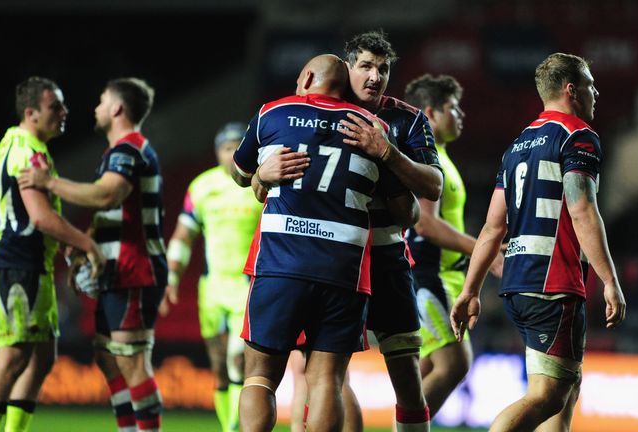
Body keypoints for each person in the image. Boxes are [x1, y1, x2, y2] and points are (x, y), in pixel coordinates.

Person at [258, 30, 442, 432]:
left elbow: (433, 185)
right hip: (330, 259)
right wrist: (260, 174)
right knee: (321, 372)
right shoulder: (310, 114)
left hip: (385, 255)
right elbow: (263, 182)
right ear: (346, 67)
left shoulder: (407, 120)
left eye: (383, 69)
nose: (375, 76)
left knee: (406, 375)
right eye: (366, 66)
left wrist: (388, 152)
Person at [450, 53, 627, 432]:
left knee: (565, 387)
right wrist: (609, 279)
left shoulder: (517, 146)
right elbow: (582, 211)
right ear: (571, 90)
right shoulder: (578, 136)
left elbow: (492, 228)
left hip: (518, 280)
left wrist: (471, 290)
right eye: (590, 84)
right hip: (552, 282)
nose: (595, 91)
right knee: (549, 393)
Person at [18, 78, 166, 432]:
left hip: (136, 268)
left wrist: (49, 182)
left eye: (101, 101)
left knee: (131, 362)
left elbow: (106, 197)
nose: (95, 108)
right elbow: (112, 214)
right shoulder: (118, 152)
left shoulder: (129, 150)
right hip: (119, 269)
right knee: (107, 357)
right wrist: (85, 249)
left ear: (116, 109)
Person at [0, 76, 105, 432]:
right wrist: (87, 244)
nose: (64, 112)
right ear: (31, 113)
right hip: (15, 263)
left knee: (42, 357)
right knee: (15, 356)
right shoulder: (27, 151)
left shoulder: (19, 142)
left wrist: (65, 246)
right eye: (56, 106)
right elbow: (39, 216)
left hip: (33, 264)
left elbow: (38, 216)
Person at [402, 74, 504, 417]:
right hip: (430, 275)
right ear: (430, 112)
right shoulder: (426, 158)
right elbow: (425, 222)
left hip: (443, 276)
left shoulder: (441, 158)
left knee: (430, 369)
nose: (460, 115)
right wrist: (482, 252)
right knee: (455, 364)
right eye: (453, 108)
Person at [159, 122, 263, 432]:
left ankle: (234, 427)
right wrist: (172, 278)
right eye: (226, 147)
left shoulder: (259, 184)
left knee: (237, 359)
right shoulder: (201, 187)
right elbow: (183, 236)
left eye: (237, 146)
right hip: (212, 287)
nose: (232, 153)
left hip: (247, 285)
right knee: (219, 365)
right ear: (217, 151)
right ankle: (226, 423)